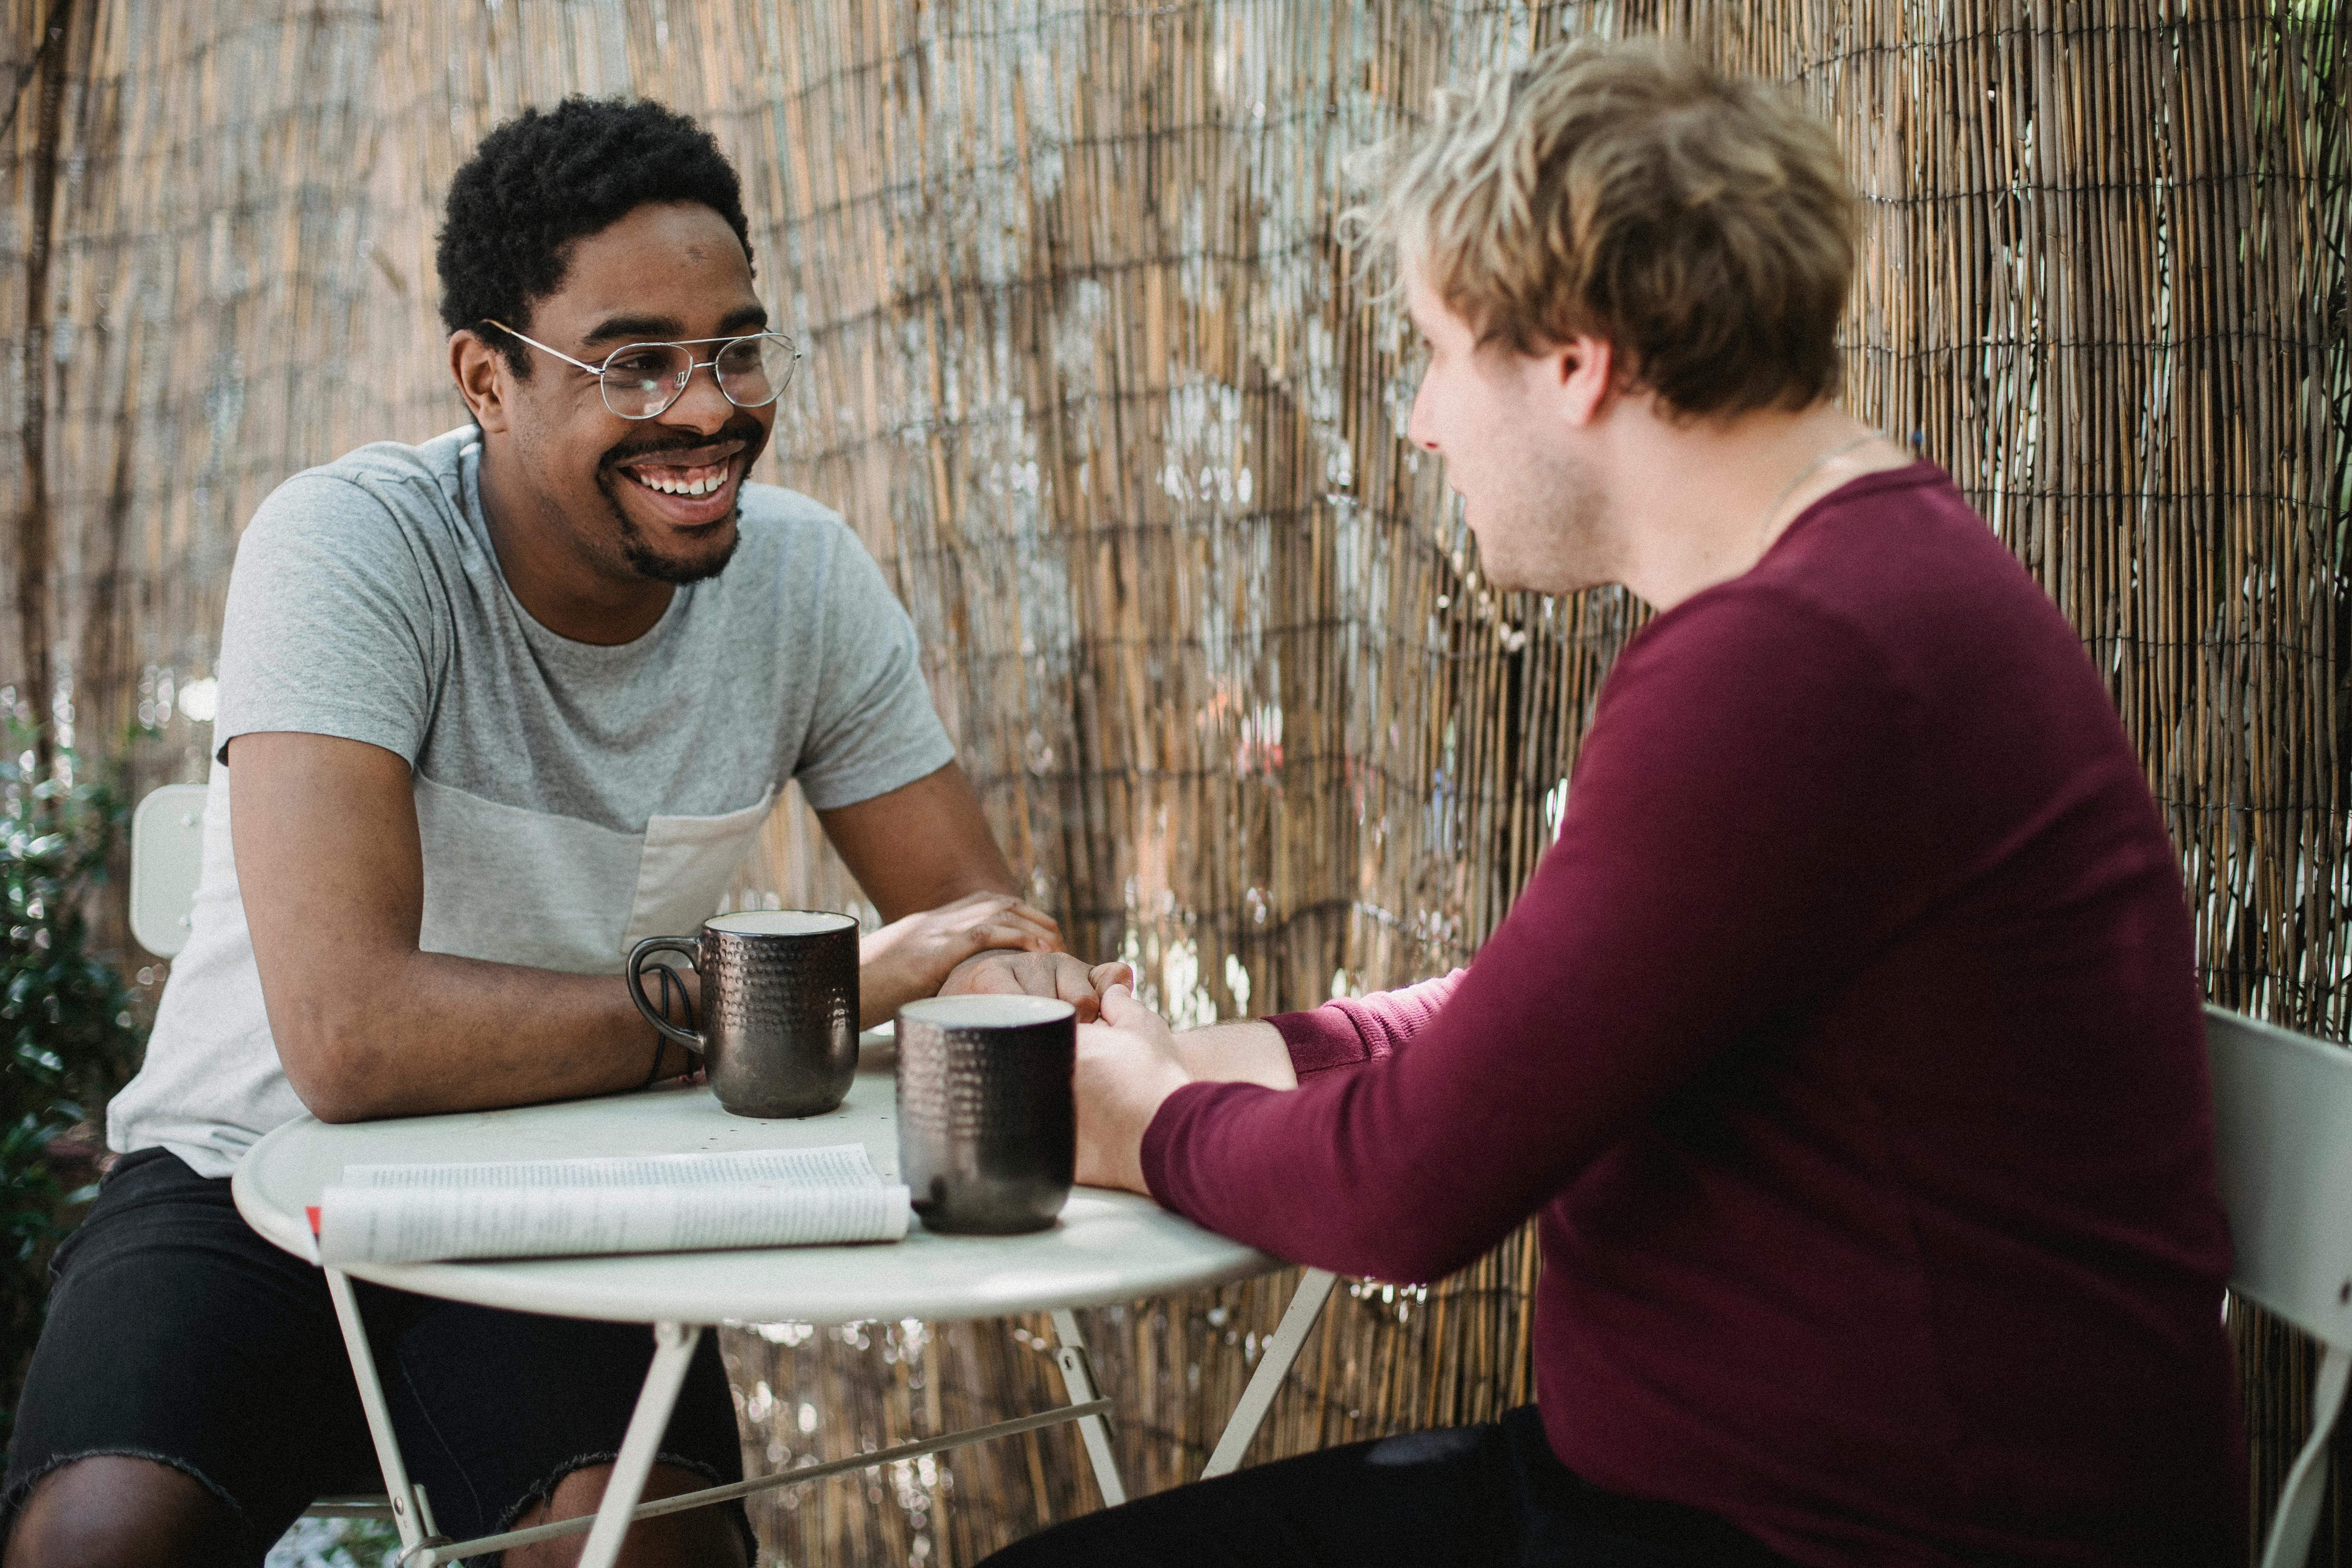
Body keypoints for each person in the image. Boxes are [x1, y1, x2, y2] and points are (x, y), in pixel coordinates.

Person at [1006, 37, 2245, 1568]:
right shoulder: (1857, 585)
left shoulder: (1799, 658)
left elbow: (1410, 1195)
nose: (1419, 421)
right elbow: (1554, 1014)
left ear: (1575, 359)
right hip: (1707, 1501)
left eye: (1438, 351)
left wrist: (1140, 1120)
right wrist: (1246, 1052)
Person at [4, 99, 1123, 1568]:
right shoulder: (355, 548)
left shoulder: (803, 586)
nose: (709, 408)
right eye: (636, 362)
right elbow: (350, 1041)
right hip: (246, 1174)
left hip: (571, 1185)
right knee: (98, 1541)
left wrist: (999, 986)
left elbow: (986, 937)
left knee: (638, 1547)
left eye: (734, 346)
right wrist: (806, 998)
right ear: (486, 377)